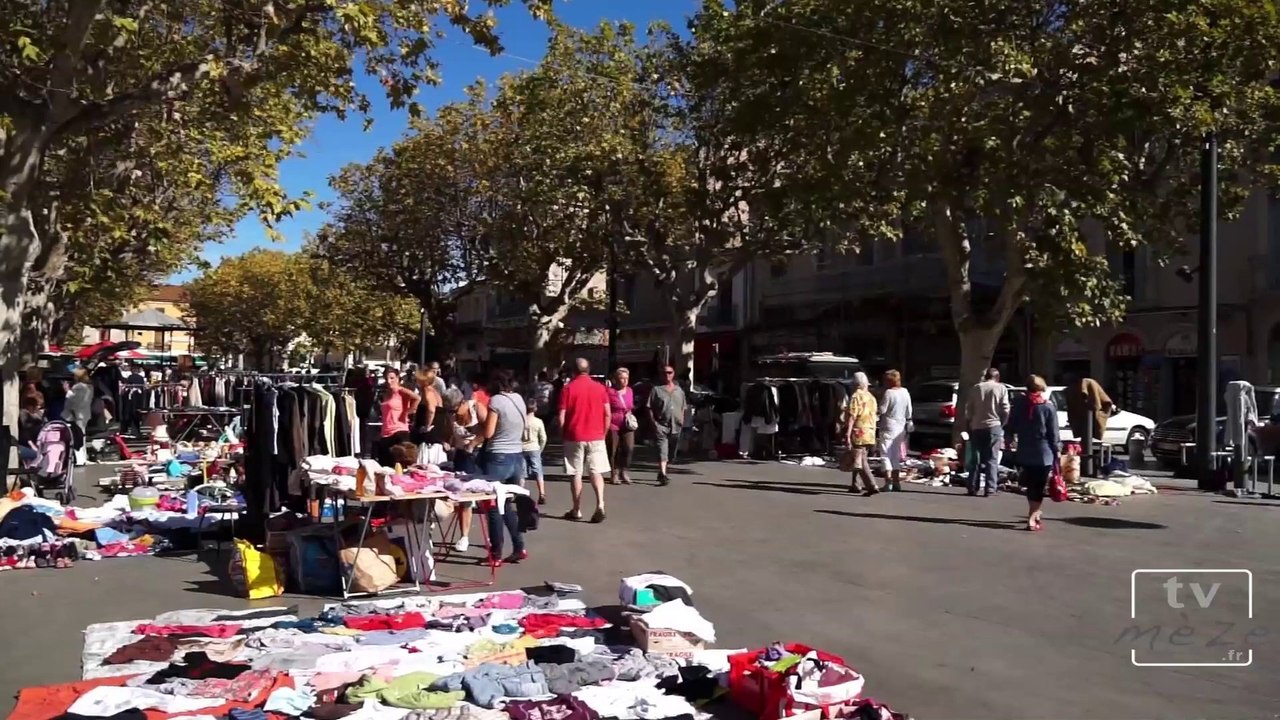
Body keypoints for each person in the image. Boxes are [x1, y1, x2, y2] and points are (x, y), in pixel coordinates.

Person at [478, 369, 527, 564]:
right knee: (506, 504)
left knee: (493, 507)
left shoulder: (496, 401)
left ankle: (495, 553)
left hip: (498, 456)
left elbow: (489, 432)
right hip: (517, 456)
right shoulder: (519, 399)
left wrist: (475, 435)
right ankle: (519, 546)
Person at [559, 357, 610, 523]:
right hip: (596, 434)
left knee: (576, 472)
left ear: (573, 371)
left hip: (574, 435)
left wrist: (563, 433)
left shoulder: (567, 389)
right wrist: (604, 432)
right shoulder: (600, 388)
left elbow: (562, 416)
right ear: (589, 370)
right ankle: (600, 504)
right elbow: (607, 413)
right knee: (596, 470)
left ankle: (577, 509)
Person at [1007, 375, 1061, 531]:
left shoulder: (1019, 404)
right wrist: (1057, 450)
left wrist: (1011, 439)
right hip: (1044, 452)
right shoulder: (1047, 406)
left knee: (1031, 485)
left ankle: (1034, 512)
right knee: (1039, 484)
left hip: (1025, 450)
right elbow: (1053, 433)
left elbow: (1010, 426)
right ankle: (1032, 515)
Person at [964, 368, 1010, 497]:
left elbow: (969, 410)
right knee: (991, 458)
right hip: (993, 425)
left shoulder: (976, 388)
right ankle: (990, 488)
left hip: (976, 425)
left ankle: (972, 486)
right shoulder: (1001, 388)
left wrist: (969, 424)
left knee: (975, 458)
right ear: (997, 377)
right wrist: (1002, 423)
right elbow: (1006, 409)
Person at [648, 364, 687, 487]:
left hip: (676, 425)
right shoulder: (656, 390)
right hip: (661, 425)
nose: (667, 375)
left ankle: (665, 466)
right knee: (662, 449)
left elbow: (683, 407)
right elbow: (649, 407)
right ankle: (663, 473)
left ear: (673, 374)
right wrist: (654, 423)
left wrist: (682, 418)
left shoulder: (679, 390)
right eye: (665, 373)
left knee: (671, 451)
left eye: (670, 372)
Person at [843, 371, 880, 495]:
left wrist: (847, 434)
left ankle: (871, 485)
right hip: (870, 432)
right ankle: (856, 484)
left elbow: (852, 416)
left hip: (858, 431)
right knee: (858, 458)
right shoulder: (872, 397)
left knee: (861, 460)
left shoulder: (856, 396)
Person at [877, 369, 912, 492]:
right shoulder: (905, 392)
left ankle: (888, 482)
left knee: (886, 454)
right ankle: (896, 482)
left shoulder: (889, 393)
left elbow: (882, 409)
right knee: (896, 454)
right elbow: (909, 411)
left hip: (888, 425)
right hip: (901, 426)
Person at [377, 368, 419, 465]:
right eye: (386, 378)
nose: (389, 381)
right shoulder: (386, 393)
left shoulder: (401, 391)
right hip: (386, 432)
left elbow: (417, 398)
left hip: (399, 431)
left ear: (397, 378)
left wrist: (407, 412)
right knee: (384, 464)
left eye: (392, 378)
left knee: (400, 464)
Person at [606, 367, 636, 485]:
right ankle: (614, 472)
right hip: (613, 423)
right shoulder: (609, 391)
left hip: (627, 424)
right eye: (621, 378)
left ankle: (624, 470)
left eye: (626, 378)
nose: (624, 381)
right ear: (616, 379)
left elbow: (631, 405)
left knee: (629, 448)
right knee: (613, 449)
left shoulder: (629, 390)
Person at [62, 368, 93, 461]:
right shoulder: (90, 387)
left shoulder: (78, 387)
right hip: (85, 413)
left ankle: (79, 458)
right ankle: (83, 457)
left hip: (76, 414)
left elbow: (73, 400)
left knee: (77, 435)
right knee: (82, 435)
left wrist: (67, 390)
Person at [522, 396, 548, 504]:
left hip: (522, 448)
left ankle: (520, 493)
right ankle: (542, 493)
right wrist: (540, 448)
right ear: (535, 408)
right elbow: (543, 438)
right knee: (538, 471)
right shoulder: (538, 422)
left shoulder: (521, 421)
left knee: (522, 472)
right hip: (534, 448)